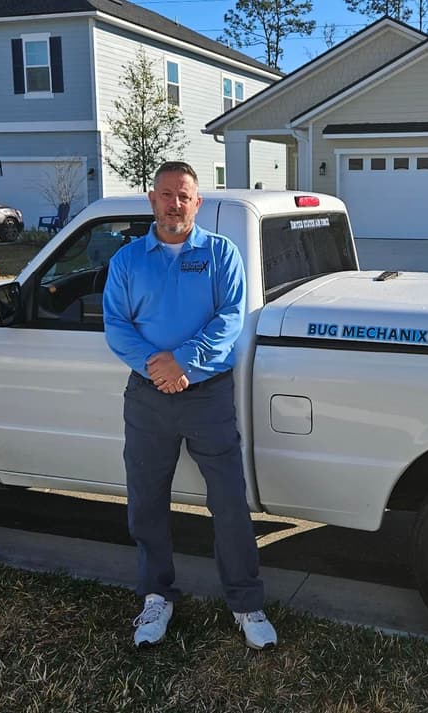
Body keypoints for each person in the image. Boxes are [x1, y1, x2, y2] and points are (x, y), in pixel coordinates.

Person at [102, 160, 277, 650]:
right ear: (152, 200)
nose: (174, 204)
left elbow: (230, 319)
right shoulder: (128, 260)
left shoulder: (221, 254)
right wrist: (156, 366)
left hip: (208, 396)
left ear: (197, 202)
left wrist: (183, 361)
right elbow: (116, 324)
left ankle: (246, 602)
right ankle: (156, 595)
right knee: (146, 501)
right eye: (166, 194)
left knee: (229, 500)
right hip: (147, 397)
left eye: (184, 196)